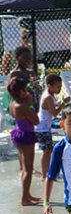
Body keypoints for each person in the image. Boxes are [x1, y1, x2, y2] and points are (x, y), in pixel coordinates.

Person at [8, 77, 40, 205]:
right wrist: (31, 104)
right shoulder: (22, 106)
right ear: (21, 91)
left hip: (18, 133)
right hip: (26, 135)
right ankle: (24, 198)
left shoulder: (12, 104)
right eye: (25, 89)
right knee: (28, 169)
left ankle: (27, 194)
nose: (27, 91)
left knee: (23, 168)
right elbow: (36, 121)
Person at [37, 72, 65, 179]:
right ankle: (45, 175)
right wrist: (63, 104)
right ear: (49, 86)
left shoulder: (50, 95)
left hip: (44, 127)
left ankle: (47, 172)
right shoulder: (48, 97)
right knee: (46, 151)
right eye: (58, 87)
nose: (59, 89)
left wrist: (59, 102)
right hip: (42, 128)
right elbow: (54, 113)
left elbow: (52, 107)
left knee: (48, 150)